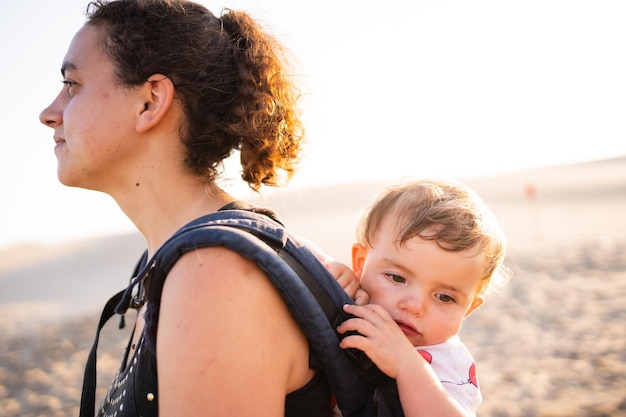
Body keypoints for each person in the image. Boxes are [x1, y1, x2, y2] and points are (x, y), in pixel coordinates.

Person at [38, 1, 333, 416]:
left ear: (150, 101)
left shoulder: (212, 274)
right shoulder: (186, 262)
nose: (49, 114)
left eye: (72, 84)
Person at [330, 179, 511, 417]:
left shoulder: (446, 364)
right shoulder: (355, 302)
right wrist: (329, 267)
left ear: (468, 309)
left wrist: (408, 366)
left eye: (445, 298)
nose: (415, 306)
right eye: (396, 278)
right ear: (361, 264)